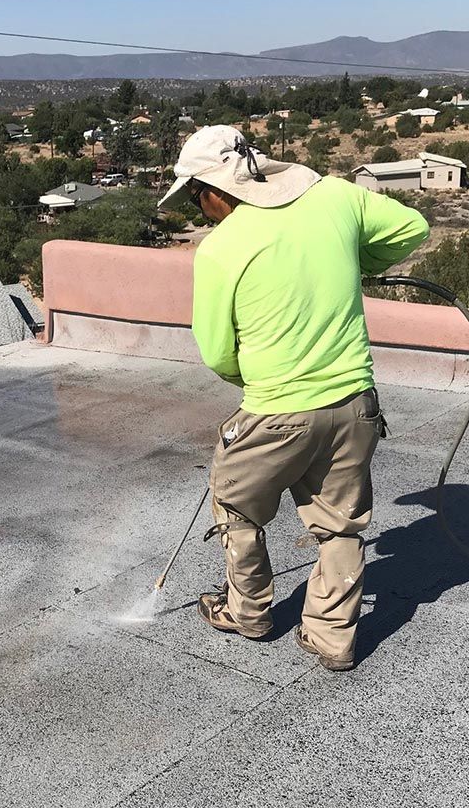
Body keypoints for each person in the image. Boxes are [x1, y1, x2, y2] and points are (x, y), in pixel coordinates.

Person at [158, 126, 429, 670]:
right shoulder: (335, 195)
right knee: (342, 525)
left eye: (195, 194)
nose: (199, 206)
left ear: (215, 188)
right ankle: (332, 639)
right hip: (356, 404)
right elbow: (412, 227)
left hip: (276, 410)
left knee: (236, 507)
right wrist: (361, 258)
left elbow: (216, 352)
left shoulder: (222, 248)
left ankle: (249, 613)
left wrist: (260, 383)